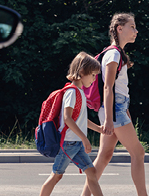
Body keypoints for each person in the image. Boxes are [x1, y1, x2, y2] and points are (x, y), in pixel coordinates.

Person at [81, 13, 148, 196]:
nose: (136, 30)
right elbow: (108, 87)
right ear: (120, 28)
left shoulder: (116, 53)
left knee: (104, 156)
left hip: (116, 108)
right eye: (132, 27)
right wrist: (110, 119)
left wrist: (120, 112)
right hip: (114, 109)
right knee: (138, 153)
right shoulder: (113, 54)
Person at [40, 52, 104, 196]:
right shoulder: (72, 92)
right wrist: (84, 138)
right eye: (93, 75)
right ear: (82, 72)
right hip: (69, 142)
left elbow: (80, 120)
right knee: (56, 176)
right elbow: (68, 118)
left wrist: (98, 129)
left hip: (75, 143)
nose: (94, 80)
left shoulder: (79, 92)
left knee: (92, 173)